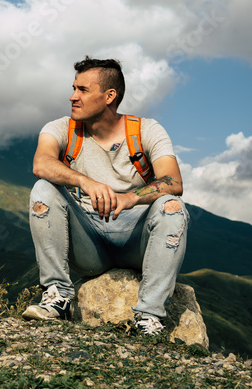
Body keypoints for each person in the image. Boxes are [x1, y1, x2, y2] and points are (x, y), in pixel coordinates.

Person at [23, 56, 188, 335]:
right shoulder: (61, 127)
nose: (73, 97)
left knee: (172, 206)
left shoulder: (146, 130)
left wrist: (130, 198)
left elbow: (173, 181)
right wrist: (85, 182)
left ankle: (148, 318)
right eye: (74, 88)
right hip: (90, 244)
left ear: (109, 96)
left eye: (83, 90)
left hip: (137, 241)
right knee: (43, 188)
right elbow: (41, 164)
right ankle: (58, 298)